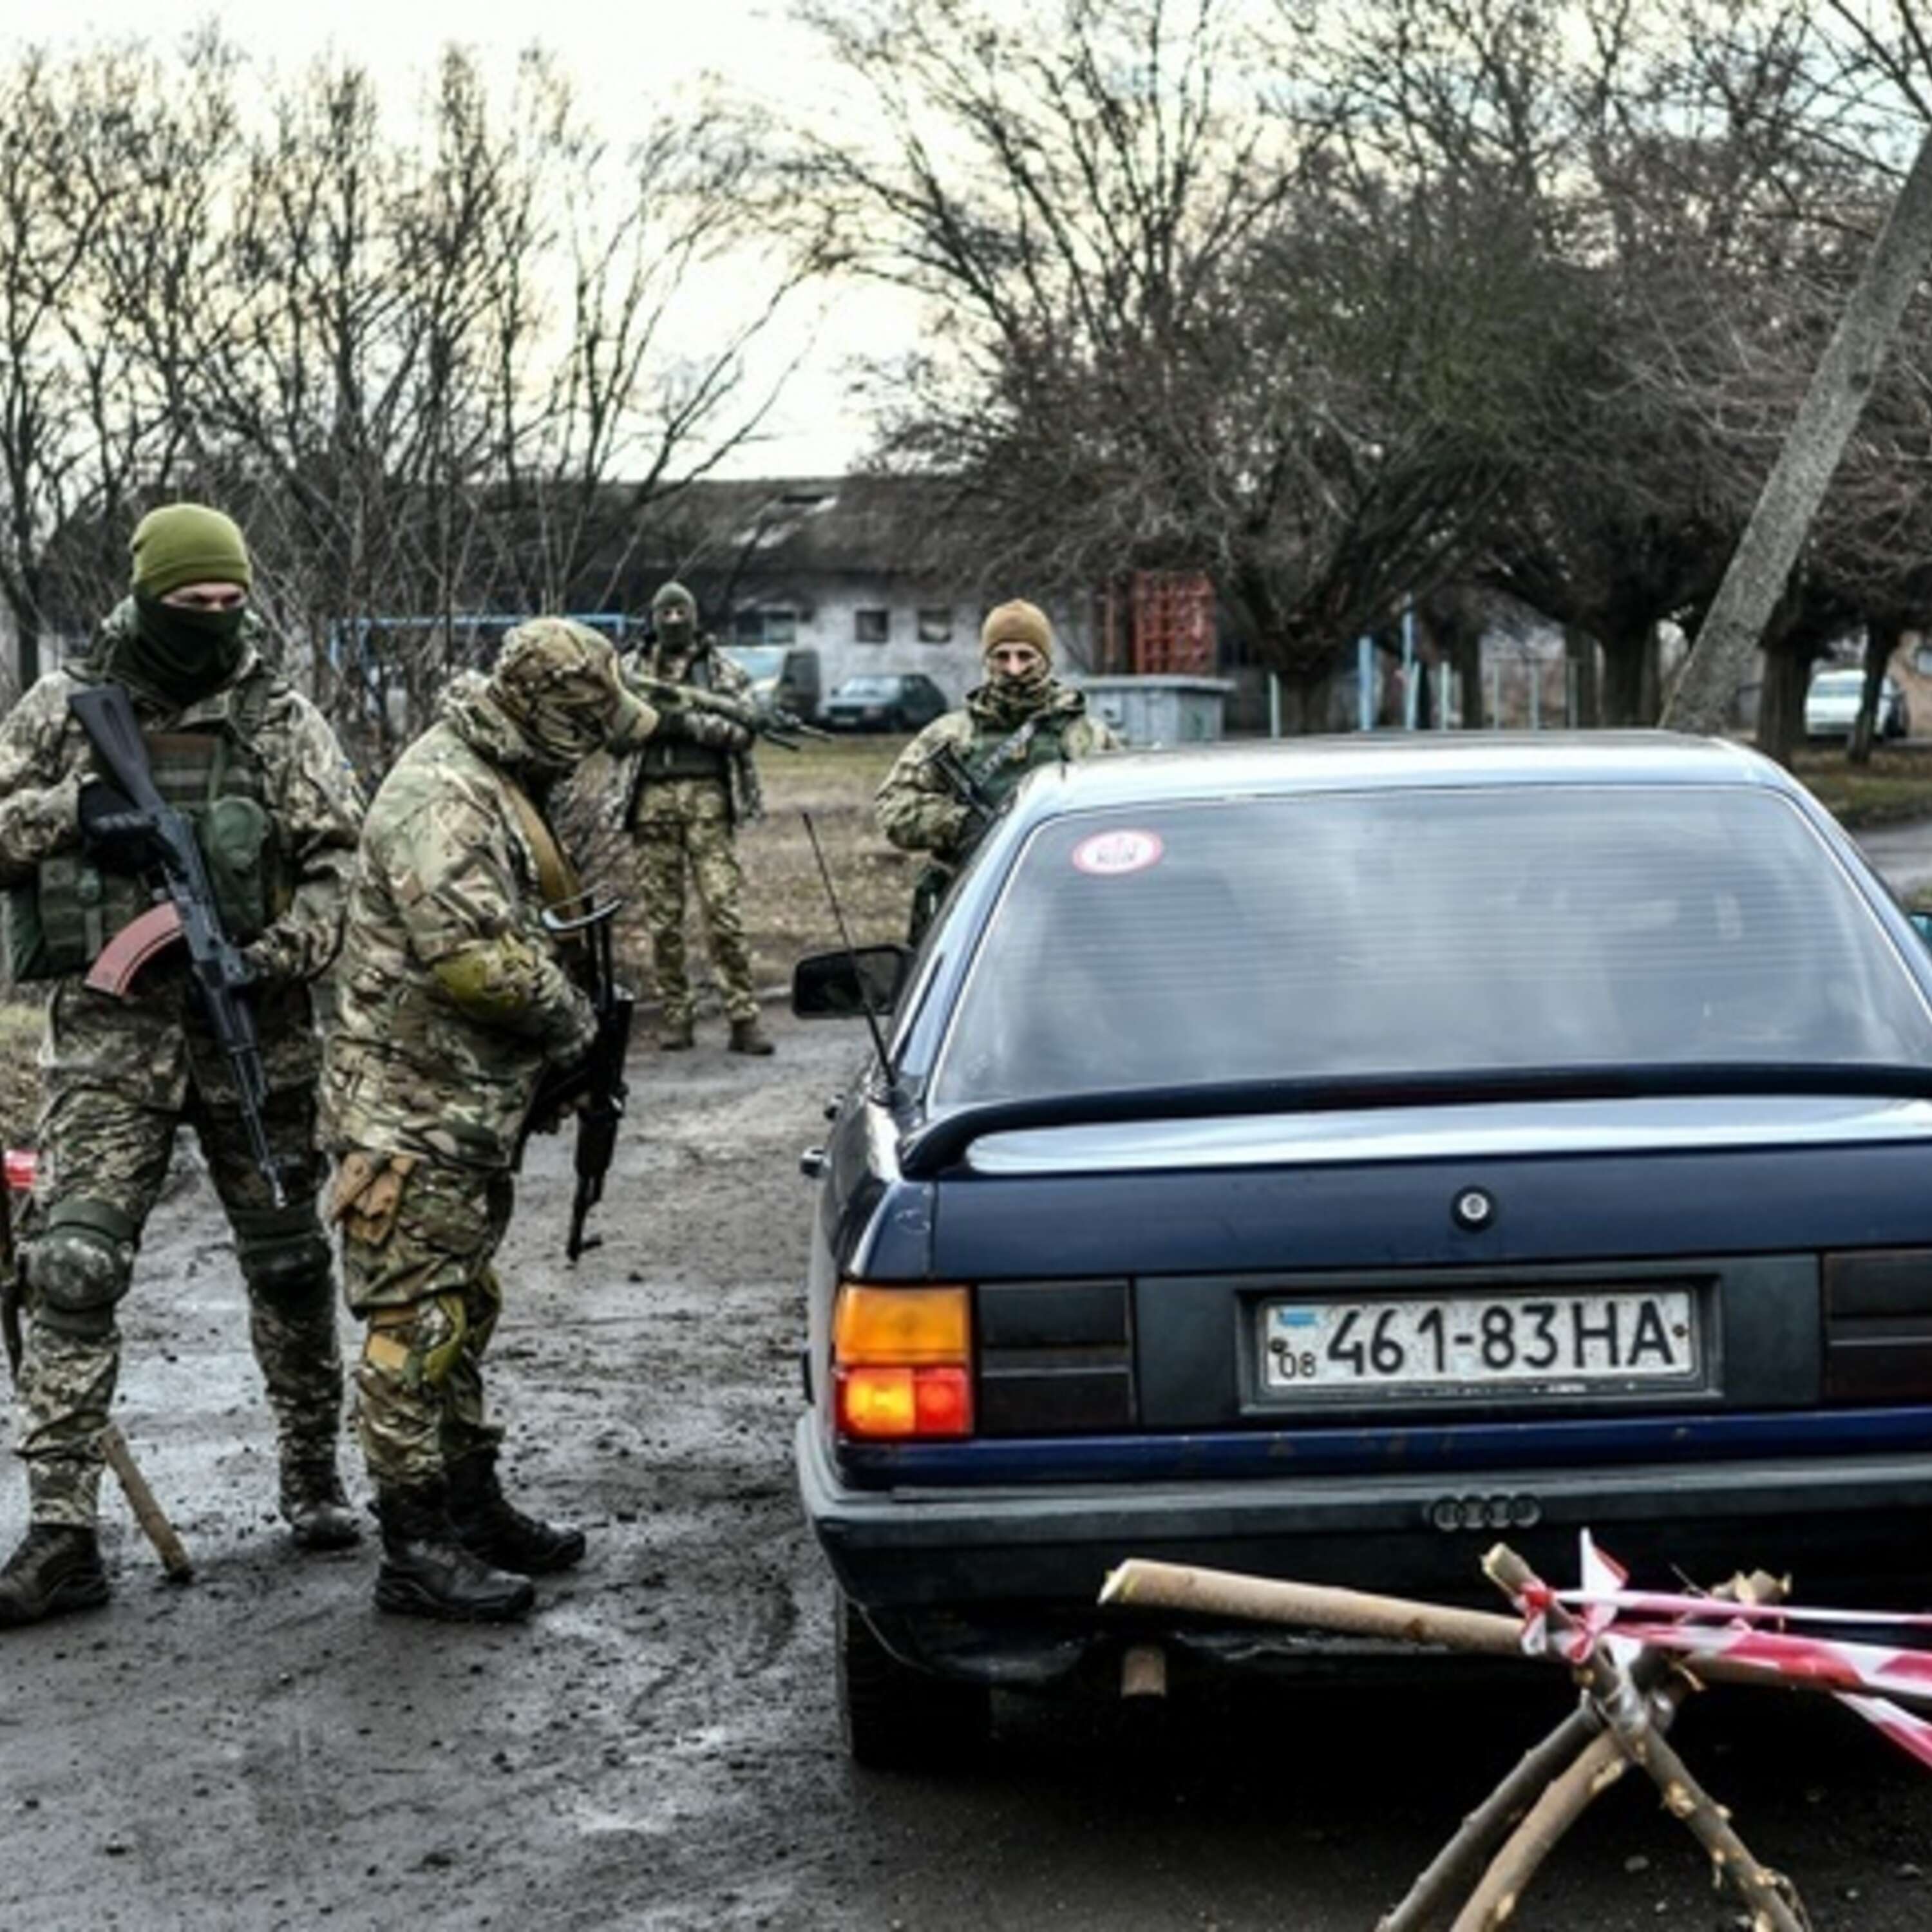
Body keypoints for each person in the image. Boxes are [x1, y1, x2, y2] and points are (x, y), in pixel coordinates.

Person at [0, 503, 365, 1627]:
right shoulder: (64, 712)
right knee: (69, 1264)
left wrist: (268, 955)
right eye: (189, 603)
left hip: (256, 1032)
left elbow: (341, 867)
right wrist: (81, 814)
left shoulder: (281, 720)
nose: (212, 620)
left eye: (227, 602)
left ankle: (312, 1480)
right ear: (146, 594)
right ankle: (63, 1531)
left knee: (293, 1265)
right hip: (111, 1041)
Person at [321, 618, 658, 1622]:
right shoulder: (444, 794)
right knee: (412, 1319)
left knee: (461, 1308)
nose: (590, 758)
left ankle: (469, 1503)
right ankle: (415, 1542)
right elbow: (473, 962)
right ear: (546, 716)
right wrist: (574, 1026)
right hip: (411, 1114)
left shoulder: (495, 776)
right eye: (584, 733)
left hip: (461, 1108)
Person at [875, 599, 1121, 940]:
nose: (1014, 669)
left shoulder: (1088, 737)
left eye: (1025, 656)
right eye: (1002, 656)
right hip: (970, 902)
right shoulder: (950, 736)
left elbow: (1121, 818)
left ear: (1045, 660)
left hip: (1064, 901)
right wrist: (959, 824)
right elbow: (893, 809)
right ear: (987, 660)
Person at [620, 581, 773, 1056]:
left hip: (708, 800)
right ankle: (675, 1016)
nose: (672, 621)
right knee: (664, 920)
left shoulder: (722, 671)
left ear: (694, 616)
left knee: (723, 912)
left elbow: (743, 729)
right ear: (653, 617)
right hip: (650, 804)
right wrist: (650, 725)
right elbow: (610, 733)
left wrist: (686, 724)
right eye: (664, 612)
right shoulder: (629, 670)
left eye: (680, 612)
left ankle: (743, 1016)